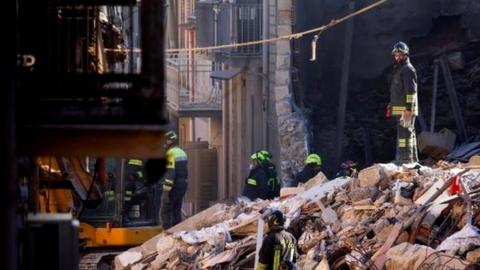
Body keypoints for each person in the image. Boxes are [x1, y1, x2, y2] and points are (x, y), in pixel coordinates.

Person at [388, 41, 419, 164]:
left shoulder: (407, 70)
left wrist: (408, 109)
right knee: (404, 136)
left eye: (400, 54)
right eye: (396, 55)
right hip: (400, 109)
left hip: (405, 110)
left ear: (406, 54)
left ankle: (407, 161)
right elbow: (399, 90)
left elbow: (411, 91)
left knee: (406, 136)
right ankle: (408, 160)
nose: (398, 57)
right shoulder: (400, 69)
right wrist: (392, 104)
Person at [161, 130, 188, 229]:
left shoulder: (170, 154)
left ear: (169, 141)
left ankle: (167, 234)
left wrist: (166, 192)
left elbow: (170, 174)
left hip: (174, 185)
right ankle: (177, 231)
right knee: (177, 209)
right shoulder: (182, 152)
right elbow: (185, 172)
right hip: (183, 184)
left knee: (166, 210)